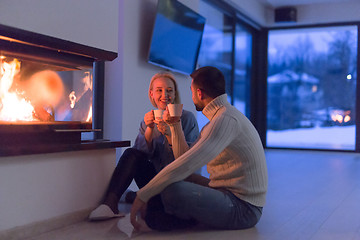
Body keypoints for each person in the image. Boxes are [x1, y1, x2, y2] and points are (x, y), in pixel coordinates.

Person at [130, 66, 268, 231]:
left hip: (243, 209)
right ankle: (167, 213)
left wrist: (142, 195)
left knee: (173, 190)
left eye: (192, 91)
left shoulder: (225, 121)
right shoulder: (220, 117)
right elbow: (185, 159)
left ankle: (181, 218)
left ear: (200, 93)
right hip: (225, 191)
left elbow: (187, 165)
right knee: (177, 181)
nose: (192, 95)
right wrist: (174, 125)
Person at [89, 71, 199, 220]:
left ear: (174, 94)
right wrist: (149, 129)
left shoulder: (187, 119)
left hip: (177, 182)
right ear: (151, 94)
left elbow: (186, 162)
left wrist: (170, 133)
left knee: (155, 213)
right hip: (154, 180)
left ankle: (134, 197)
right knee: (130, 153)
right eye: (159, 90)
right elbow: (138, 156)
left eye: (169, 90)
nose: (164, 95)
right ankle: (110, 204)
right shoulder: (148, 120)